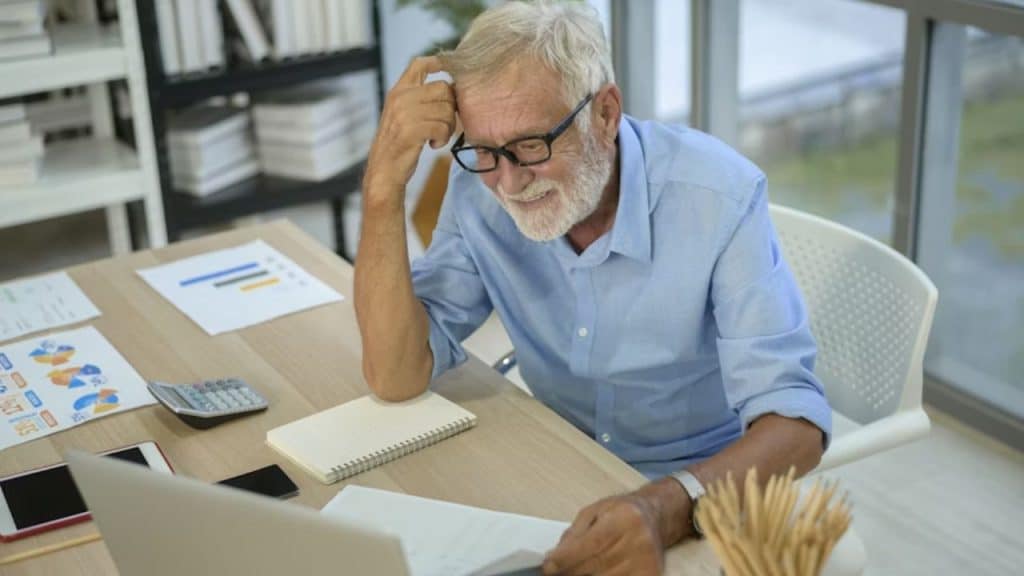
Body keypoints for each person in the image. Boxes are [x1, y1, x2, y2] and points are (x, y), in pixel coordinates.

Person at [354, 2, 831, 574]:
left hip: (698, 494)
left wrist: (664, 509)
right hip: (557, 470)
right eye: (485, 151)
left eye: (532, 145)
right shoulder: (478, 185)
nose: (509, 183)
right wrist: (384, 187)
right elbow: (396, 373)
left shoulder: (718, 197)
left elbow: (796, 423)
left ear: (605, 112)